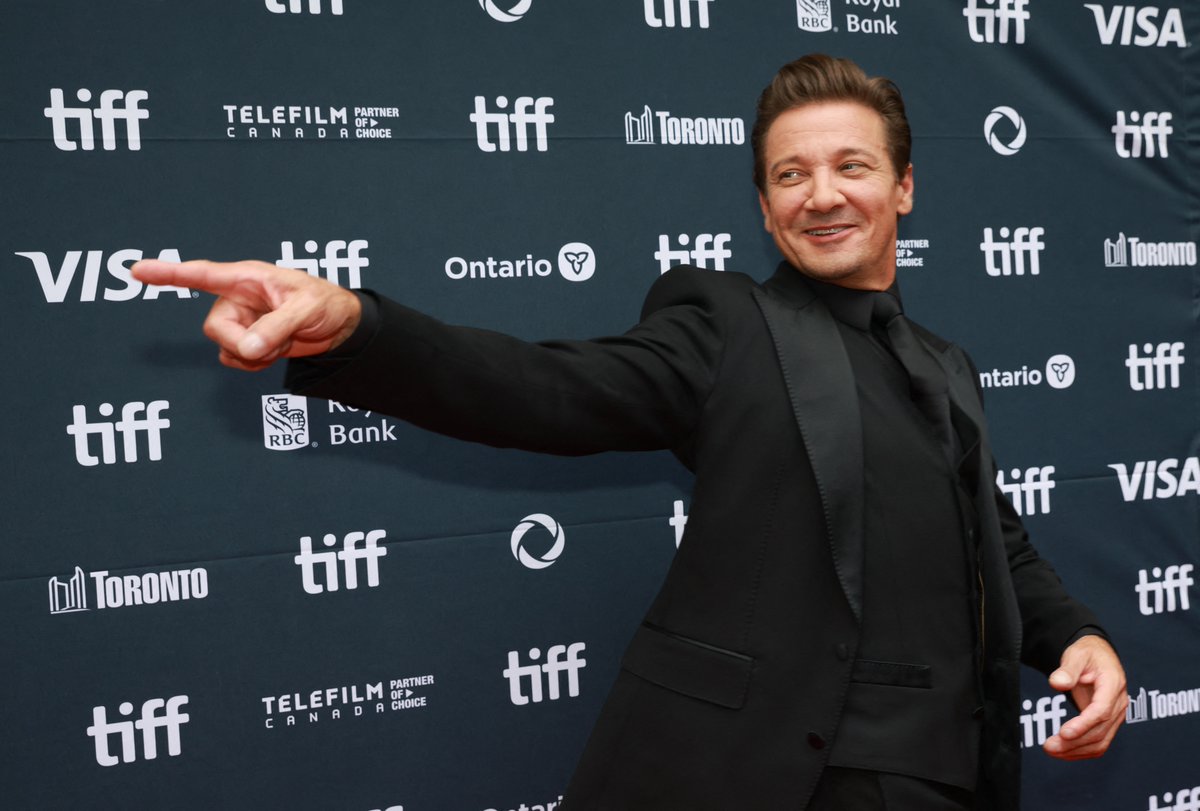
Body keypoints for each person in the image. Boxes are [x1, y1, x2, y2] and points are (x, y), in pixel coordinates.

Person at [132, 54, 1126, 810]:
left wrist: (1076, 635)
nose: (821, 194)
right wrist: (358, 326)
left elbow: (996, 539)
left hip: (948, 778)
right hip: (772, 777)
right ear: (766, 209)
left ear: (903, 187)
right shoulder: (729, 326)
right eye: (790, 175)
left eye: (850, 166)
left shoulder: (948, 365)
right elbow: (545, 389)